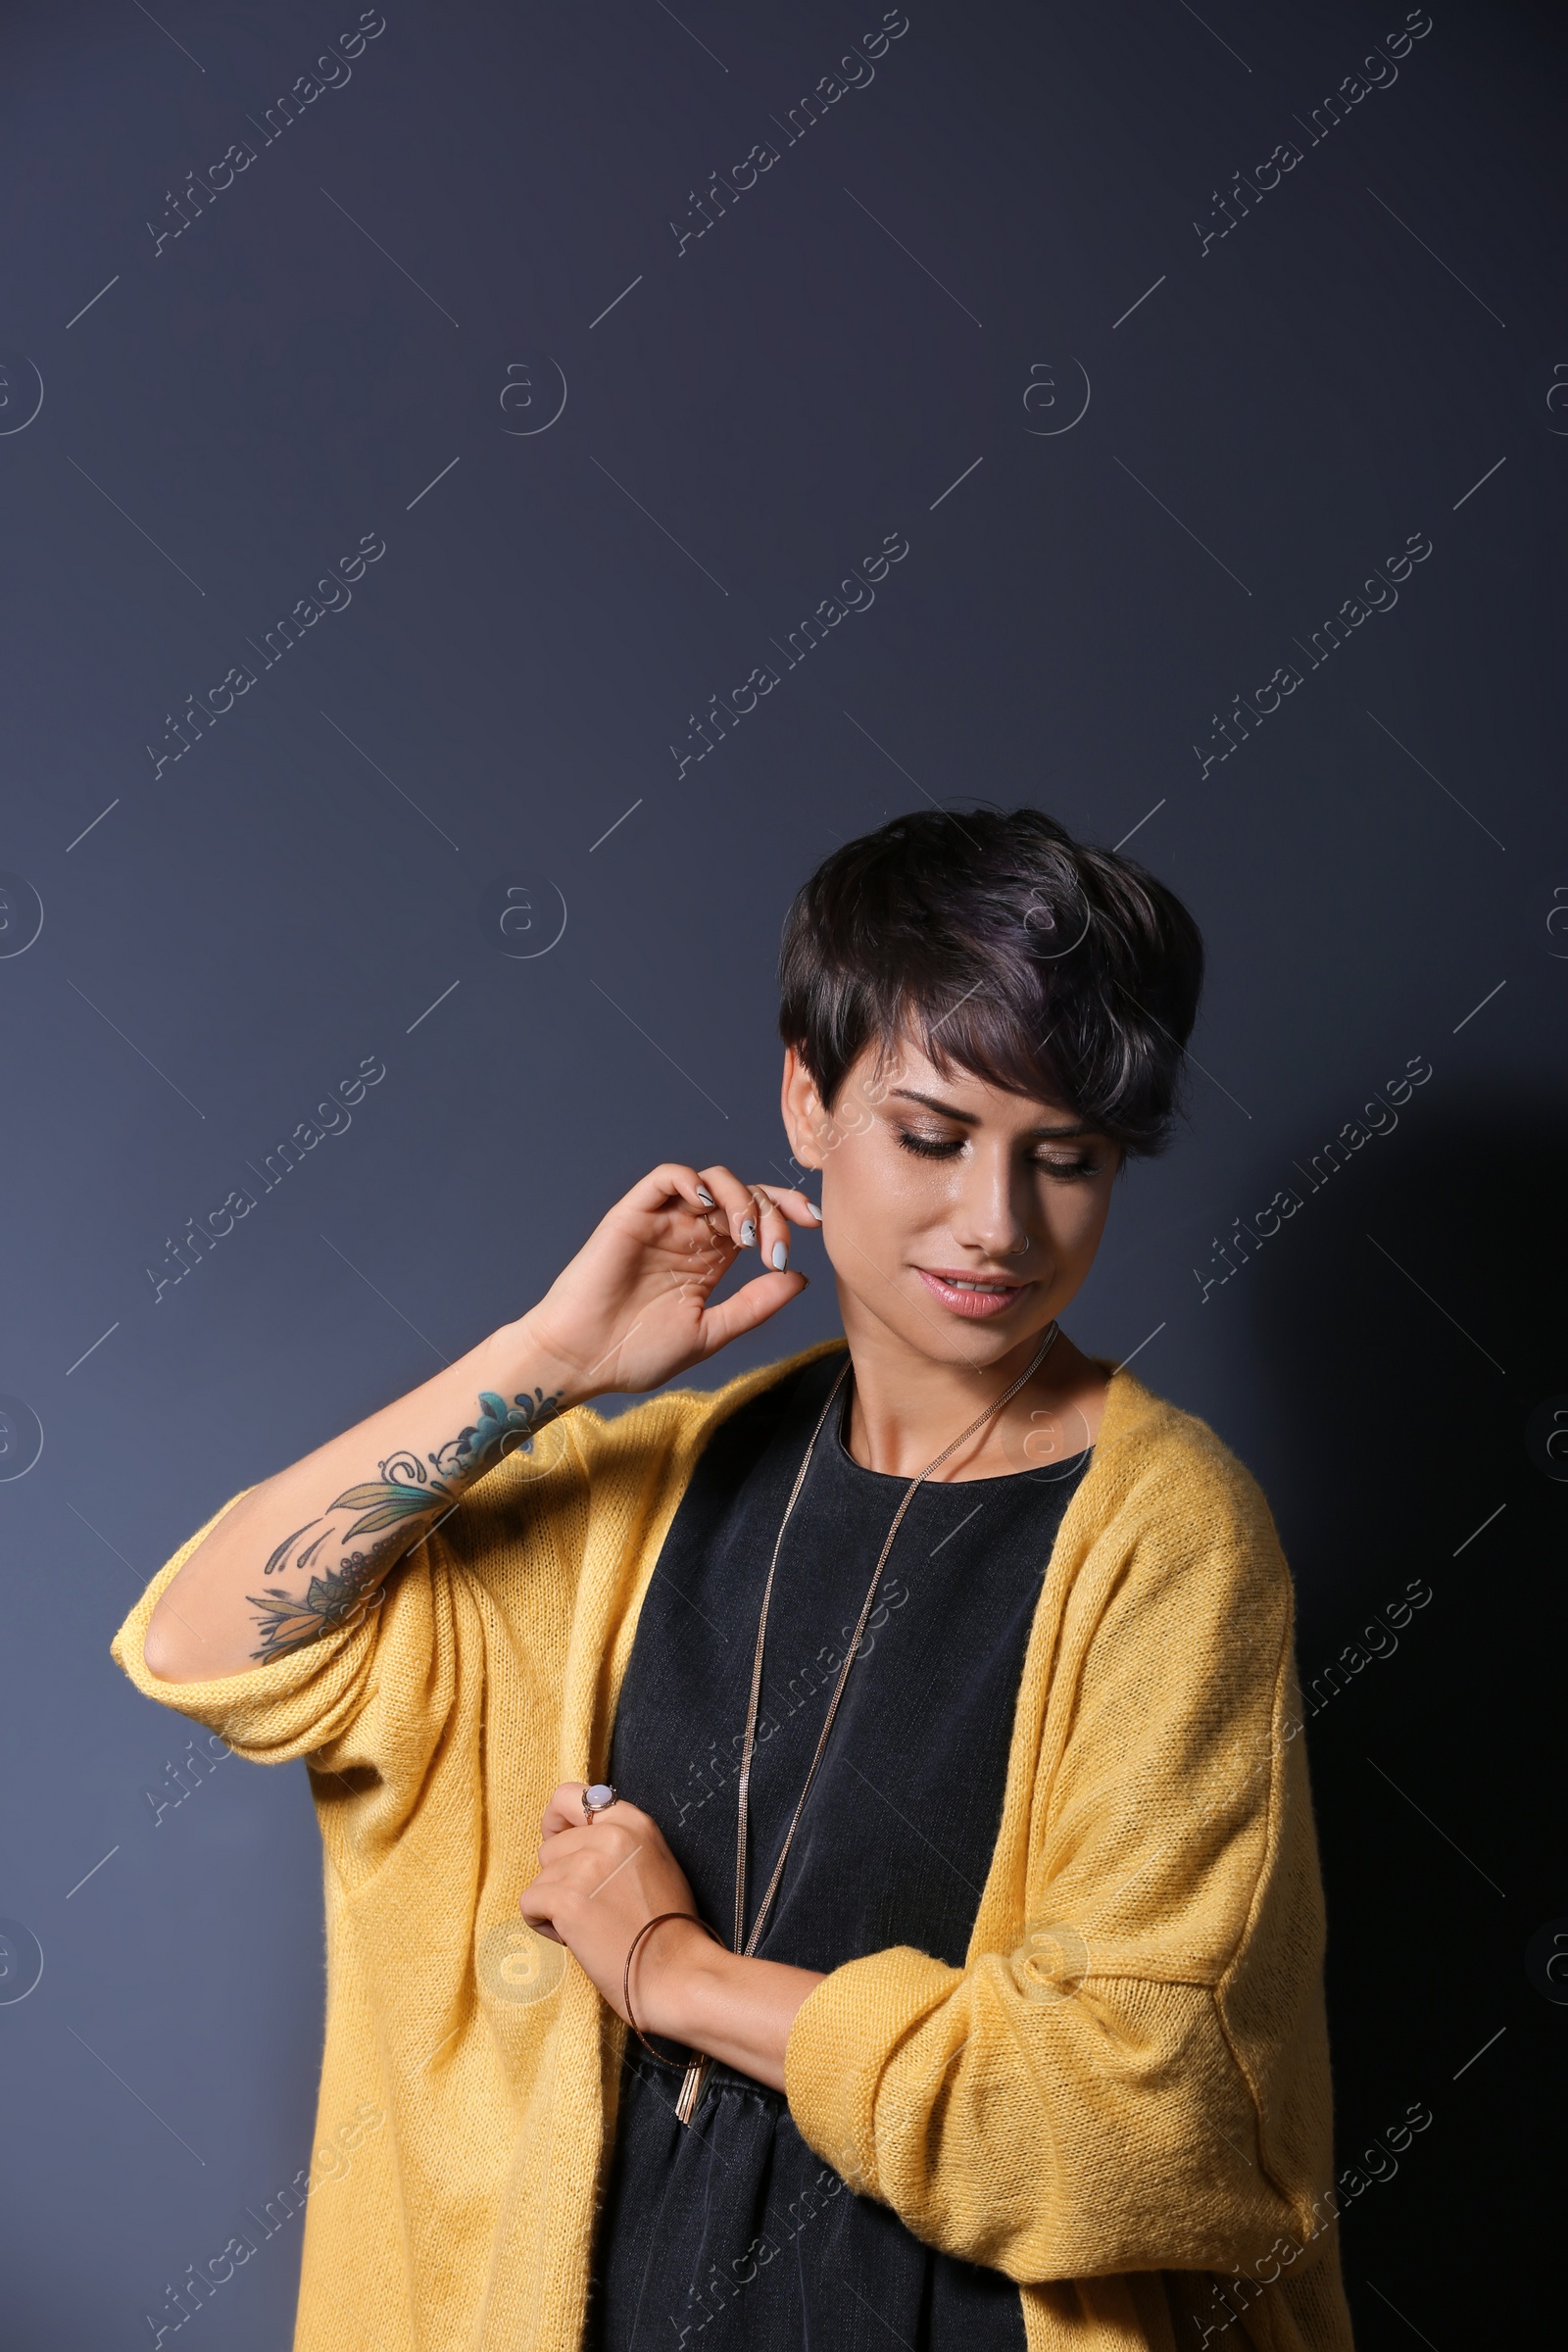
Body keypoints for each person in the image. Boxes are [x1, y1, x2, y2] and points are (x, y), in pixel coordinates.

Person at [114, 808, 1354, 2352]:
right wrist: (546, 1363)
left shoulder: (1168, 1538)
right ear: (805, 1096)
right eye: (933, 1133)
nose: (999, 1223)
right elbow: (214, 1639)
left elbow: (1135, 2113)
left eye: (1069, 1159)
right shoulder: (659, 1492)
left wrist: (673, 1973)